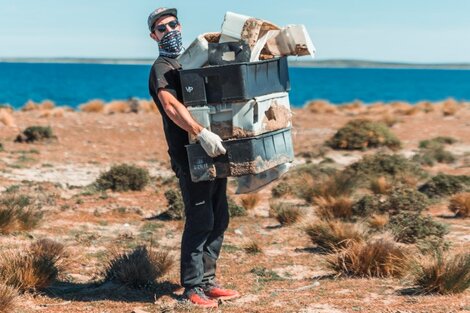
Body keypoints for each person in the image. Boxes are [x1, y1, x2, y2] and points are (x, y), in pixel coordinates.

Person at [147, 7, 240, 309]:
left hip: (214, 150)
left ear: (181, 25)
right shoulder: (162, 67)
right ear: (154, 36)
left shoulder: (189, 61)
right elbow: (171, 106)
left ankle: (208, 281)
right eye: (162, 28)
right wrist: (200, 133)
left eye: (173, 24)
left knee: (219, 216)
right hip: (191, 155)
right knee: (200, 219)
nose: (170, 31)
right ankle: (191, 287)